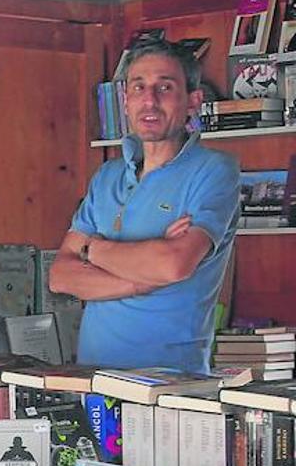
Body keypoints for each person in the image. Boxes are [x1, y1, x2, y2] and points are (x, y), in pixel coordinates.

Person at [49, 39, 240, 374]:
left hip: (171, 384)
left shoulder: (214, 170)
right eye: (139, 87)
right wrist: (141, 281)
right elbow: (60, 276)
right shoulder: (107, 175)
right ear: (125, 101)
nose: (149, 100)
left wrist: (90, 249)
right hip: (94, 379)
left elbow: (173, 265)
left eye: (165, 87)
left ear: (193, 101)